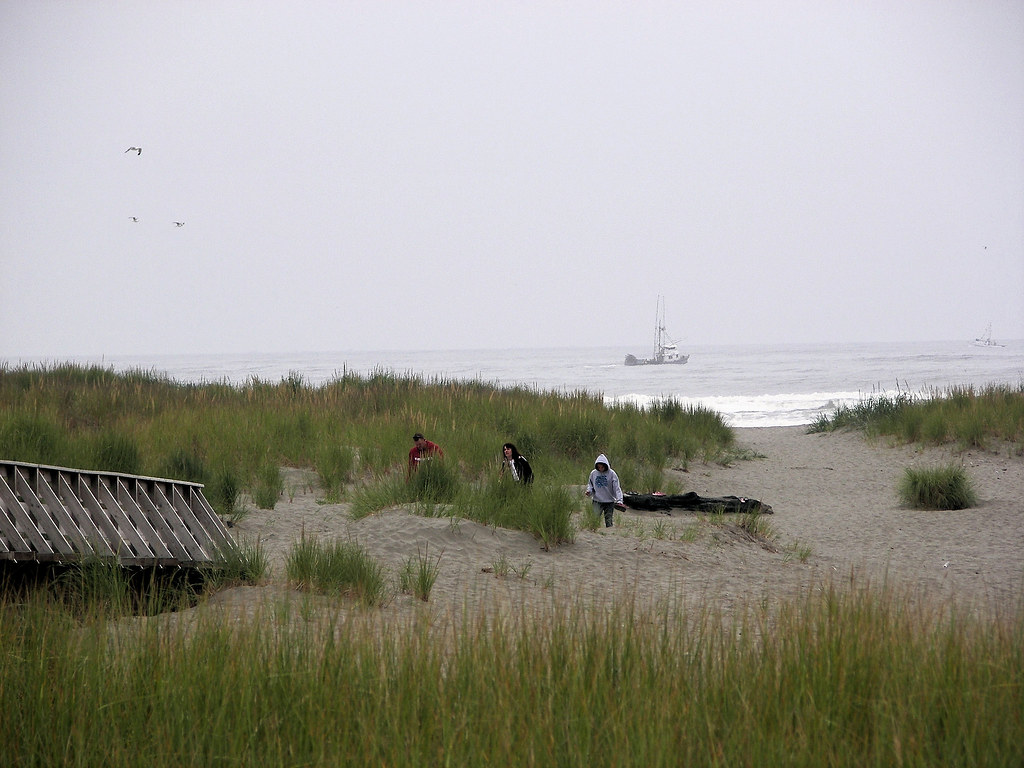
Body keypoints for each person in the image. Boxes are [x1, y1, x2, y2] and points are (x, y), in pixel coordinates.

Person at [584, 453, 623, 528]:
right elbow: (590, 485)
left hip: (609, 501)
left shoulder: (612, 474)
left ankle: (609, 535)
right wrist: (589, 491)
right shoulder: (593, 473)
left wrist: (619, 500)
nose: (600, 469)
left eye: (602, 467)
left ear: (606, 466)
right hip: (597, 501)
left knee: (608, 520)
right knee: (594, 519)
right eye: (599, 467)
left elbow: (617, 488)